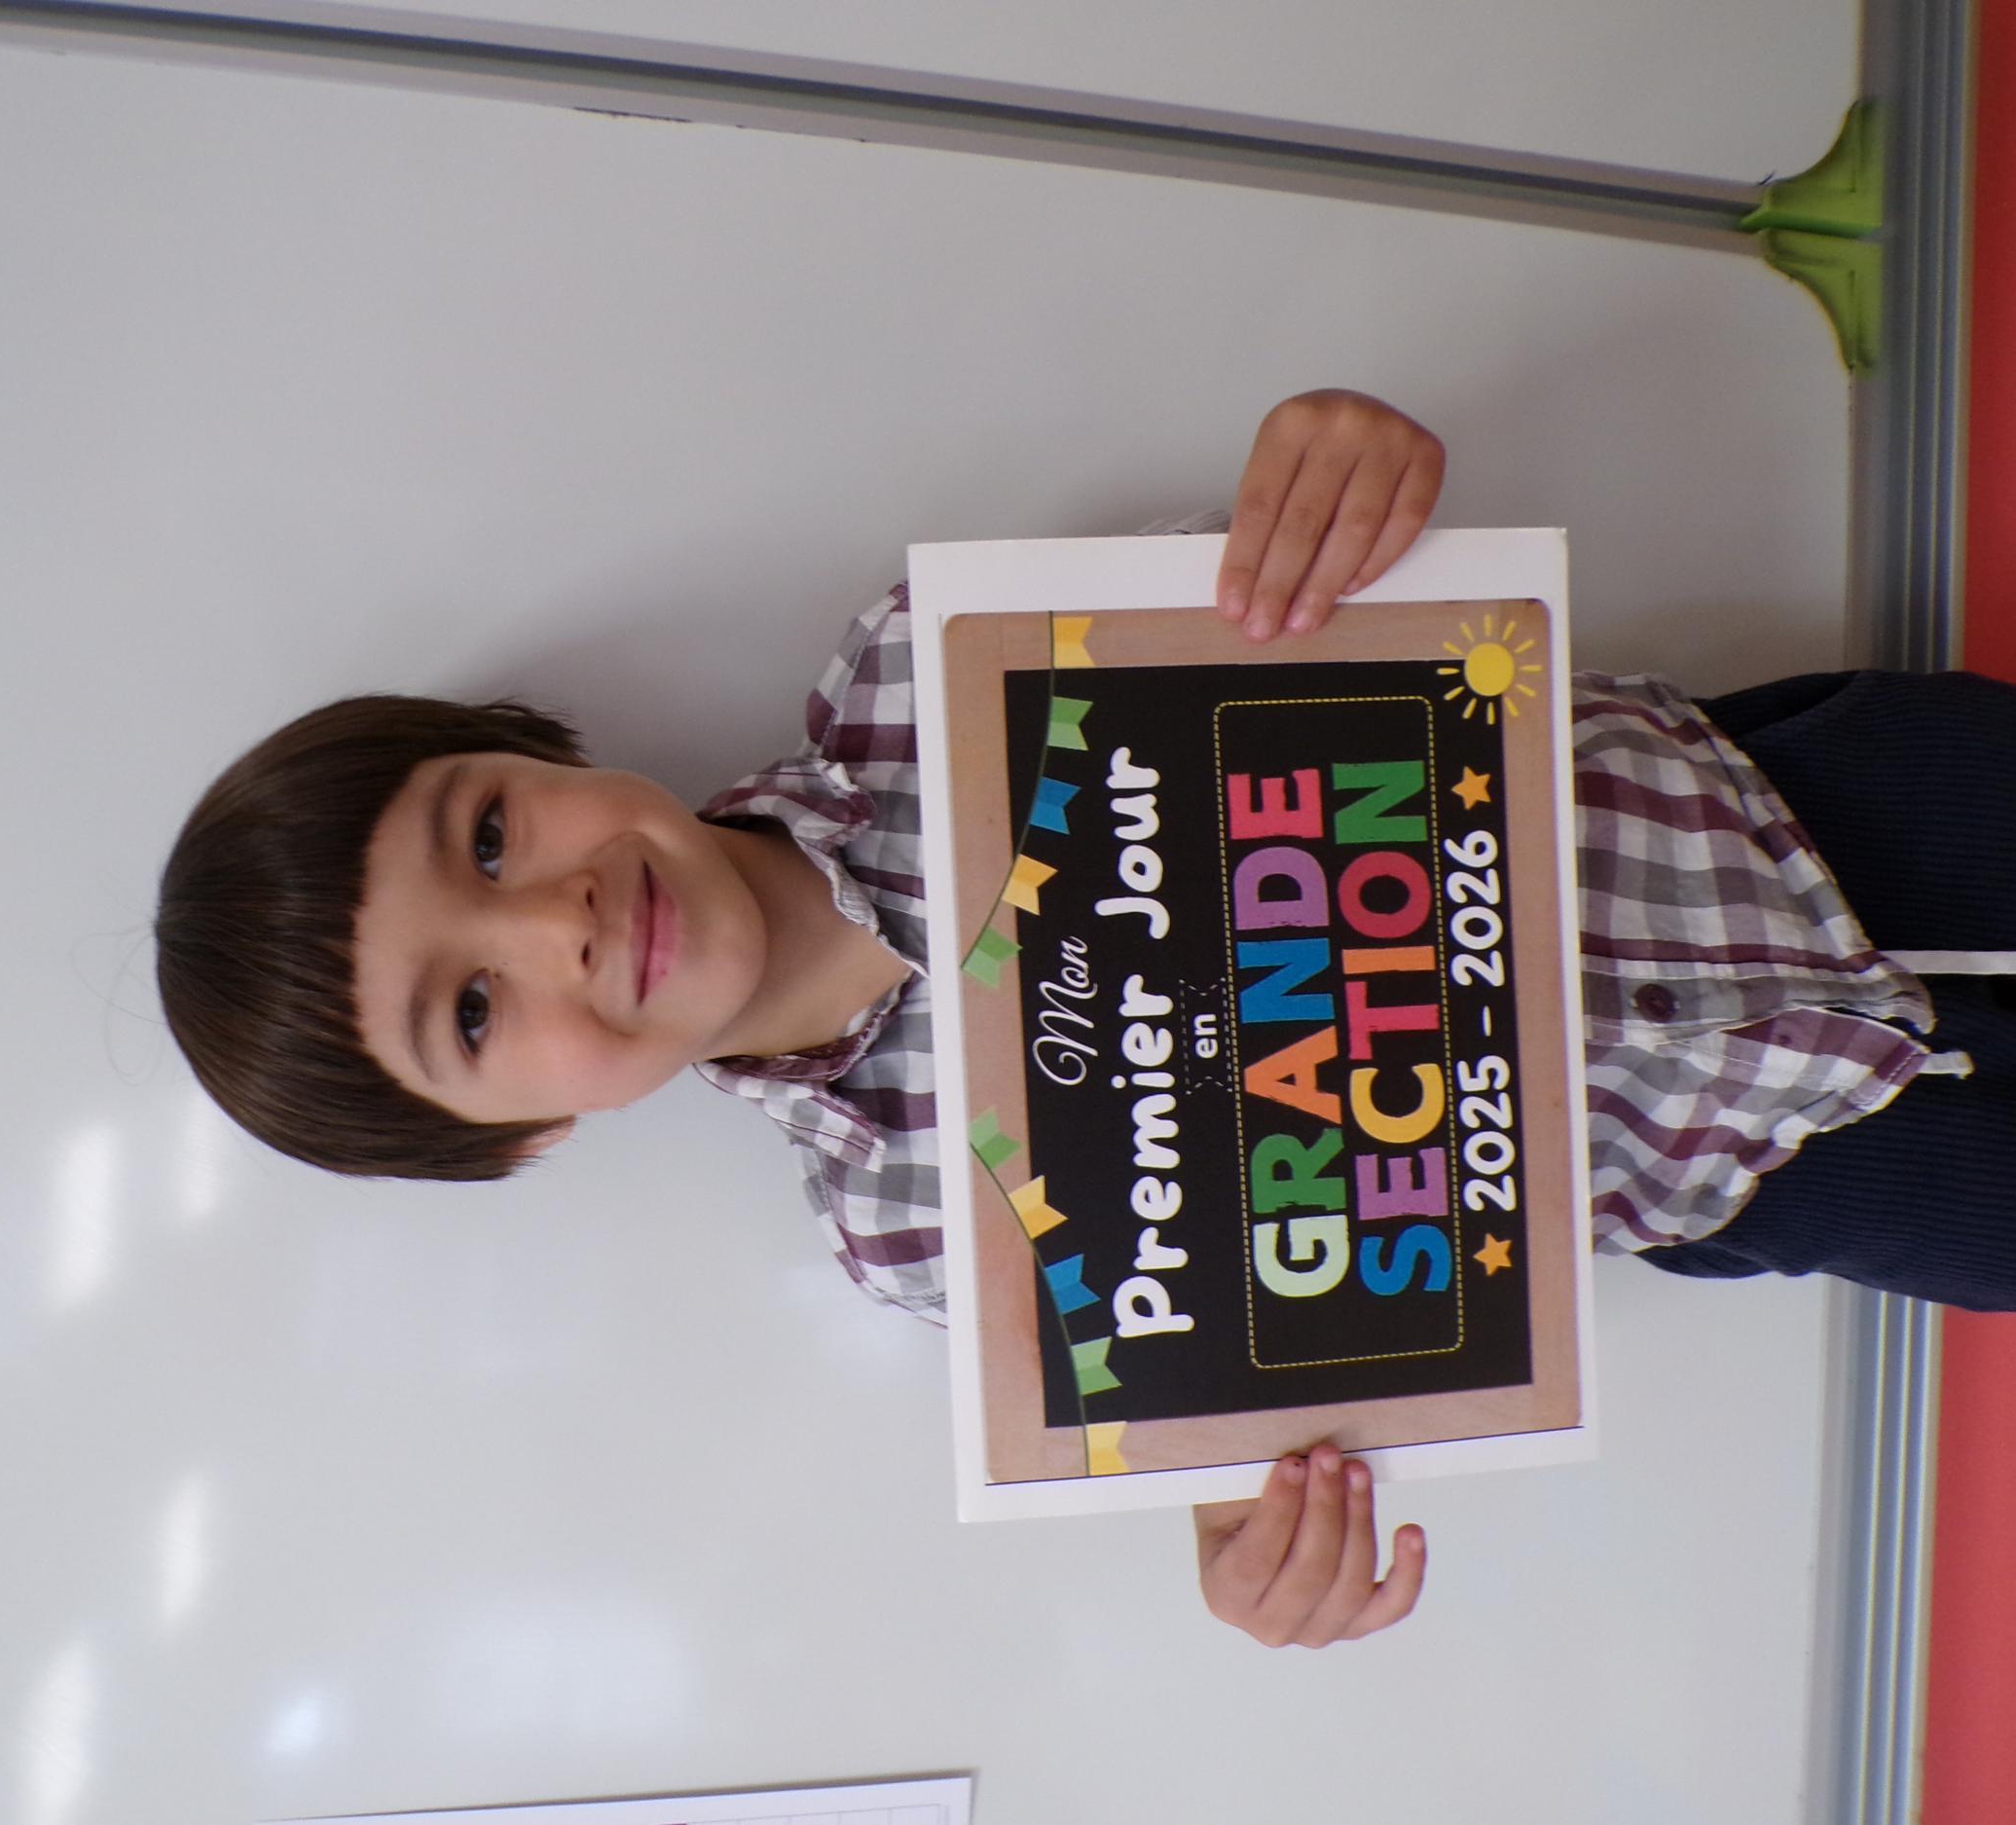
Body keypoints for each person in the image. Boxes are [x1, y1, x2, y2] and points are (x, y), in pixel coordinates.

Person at [154, 390, 2016, 1651]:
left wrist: (1342, 477)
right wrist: (1247, 1518)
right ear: (531, 1136)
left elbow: (1329, 591)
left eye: (488, 833)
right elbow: (1280, 1357)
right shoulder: (914, 1233)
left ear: (536, 750)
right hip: (1783, 1167)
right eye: (473, 1010)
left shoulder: (937, 669)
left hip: (1811, 812)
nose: (550, 915)